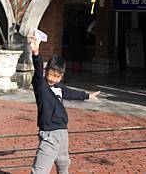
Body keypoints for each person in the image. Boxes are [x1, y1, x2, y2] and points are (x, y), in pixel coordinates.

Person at [29, 35, 100, 174]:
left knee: (63, 164)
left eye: (57, 76)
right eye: (51, 74)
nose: (53, 79)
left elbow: (70, 93)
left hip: (63, 133)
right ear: (46, 71)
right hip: (49, 135)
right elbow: (37, 69)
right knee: (40, 170)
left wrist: (87, 95)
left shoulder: (59, 87)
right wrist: (36, 53)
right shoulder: (41, 85)